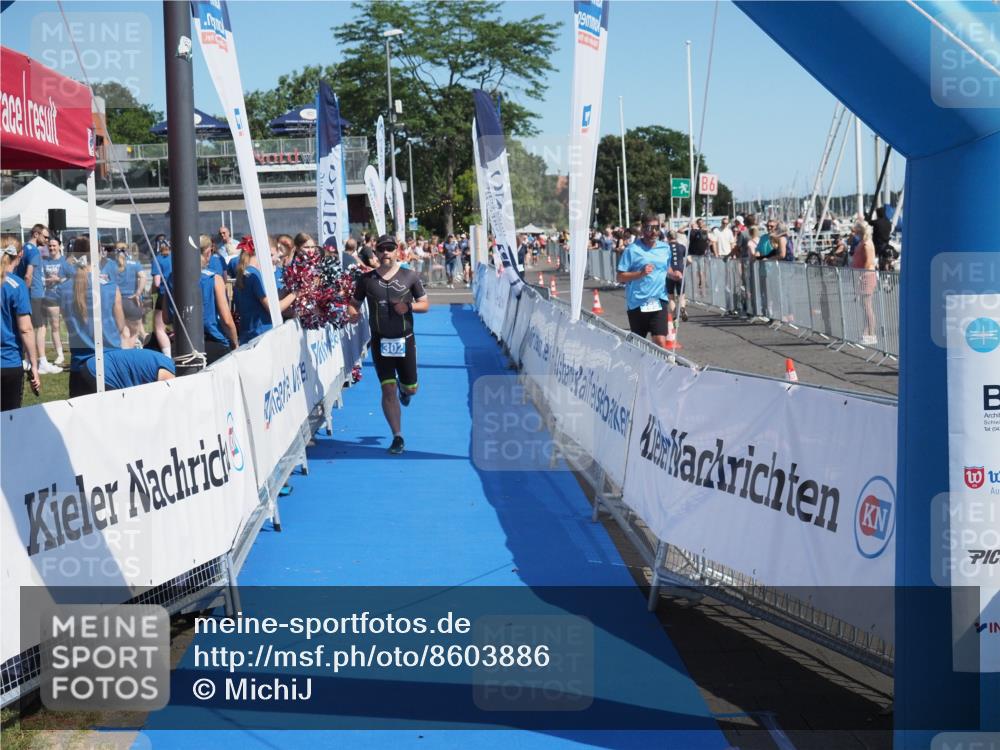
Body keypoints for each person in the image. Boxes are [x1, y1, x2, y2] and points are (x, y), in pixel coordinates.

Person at [347, 234, 429, 455]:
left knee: (410, 388)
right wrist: (352, 314)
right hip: (380, 341)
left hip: (405, 340)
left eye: (390, 248)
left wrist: (408, 307)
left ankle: (406, 392)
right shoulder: (366, 280)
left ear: (397, 251)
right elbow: (353, 304)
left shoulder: (409, 276)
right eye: (382, 249)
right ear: (376, 252)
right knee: (387, 388)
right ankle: (397, 436)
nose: (386, 252)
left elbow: (425, 304)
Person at [59, 238, 127, 398]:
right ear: (98, 253)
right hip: (111, 364)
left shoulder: (63, 289)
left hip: (80, 367)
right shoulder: (110, 287)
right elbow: (120, 325)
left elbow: (68, 322)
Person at [616, 214, 681, 349]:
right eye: (649, 228)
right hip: (638, 302)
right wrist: (641, 273)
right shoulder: (632, 250)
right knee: (638, 345)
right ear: (643, 229)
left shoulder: (665, 248)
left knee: (660, 342)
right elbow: (620, 277)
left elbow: (666, 267)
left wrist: (673, 274)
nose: (653, 232)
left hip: (659, 300)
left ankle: (661, 369)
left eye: (657, 228)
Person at [232, 237, 296, 345]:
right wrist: (296, 292)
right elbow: (274, 308)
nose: (276, 260)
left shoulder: (246, 273)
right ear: (268, 253)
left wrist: (288, 290)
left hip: (248, 334)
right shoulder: (254, 275)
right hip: (262, 336)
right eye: (274, 255)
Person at [15, 224, 60, 374]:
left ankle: (28, 360)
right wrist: (24, 293)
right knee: (40, 327)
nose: (47, 240)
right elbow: (28, 275)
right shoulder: (33, 251)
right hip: (34, 294)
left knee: (31, 327)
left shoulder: (23, 248)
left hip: (31, 293)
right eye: (45, 237)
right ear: (36, 234)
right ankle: (42, 362)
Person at [2, 243, 41, 410]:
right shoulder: (17, 285)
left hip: (9, 360)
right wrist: (34, 364)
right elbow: (25, 329)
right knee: (10, 423)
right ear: (20, 255)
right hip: (9, 362)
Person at [41, 236, 72, 367]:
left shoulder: (66, 261)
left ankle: (76, 350)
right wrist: (49, 281)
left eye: (54, 245)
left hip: (65, 297)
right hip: (51, 297)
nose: (52, 248)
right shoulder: (44, 262)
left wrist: (59, 279)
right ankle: (60, 355)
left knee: (71, 325)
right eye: (50, 246)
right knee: (55, 326)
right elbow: (41, 279)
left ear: (59, 246)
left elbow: (73, 278)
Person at [80, 349, 175, 391]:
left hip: (95, 365)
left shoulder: (168, 364)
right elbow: (162, 399)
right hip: (101, 371)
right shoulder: (170, 375)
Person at [851, 220, 878, 346]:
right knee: (864, 305)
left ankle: (871, 333)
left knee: (867, 306)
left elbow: (869, 261)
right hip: (862, 275)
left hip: (866, 275)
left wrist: (861, 274)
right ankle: (866, 331)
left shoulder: (867, 244)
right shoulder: (862, 242)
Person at [151, 237, 173, 356]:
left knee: (159, 328)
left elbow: (157, 283)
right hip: (177, 292)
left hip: (164, 294)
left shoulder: (157, 259)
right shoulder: (175, 256)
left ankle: (167, 356)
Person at [665, 230, 688, 321]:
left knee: (671, 297)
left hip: (669, 274)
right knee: (681, 295)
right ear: (676, 237)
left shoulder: (665, 248)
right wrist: (683, 266)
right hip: (680, 274)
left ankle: (674, 317)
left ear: (668, 237)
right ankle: (682, 307)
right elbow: (689, 260)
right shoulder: (682, 247)